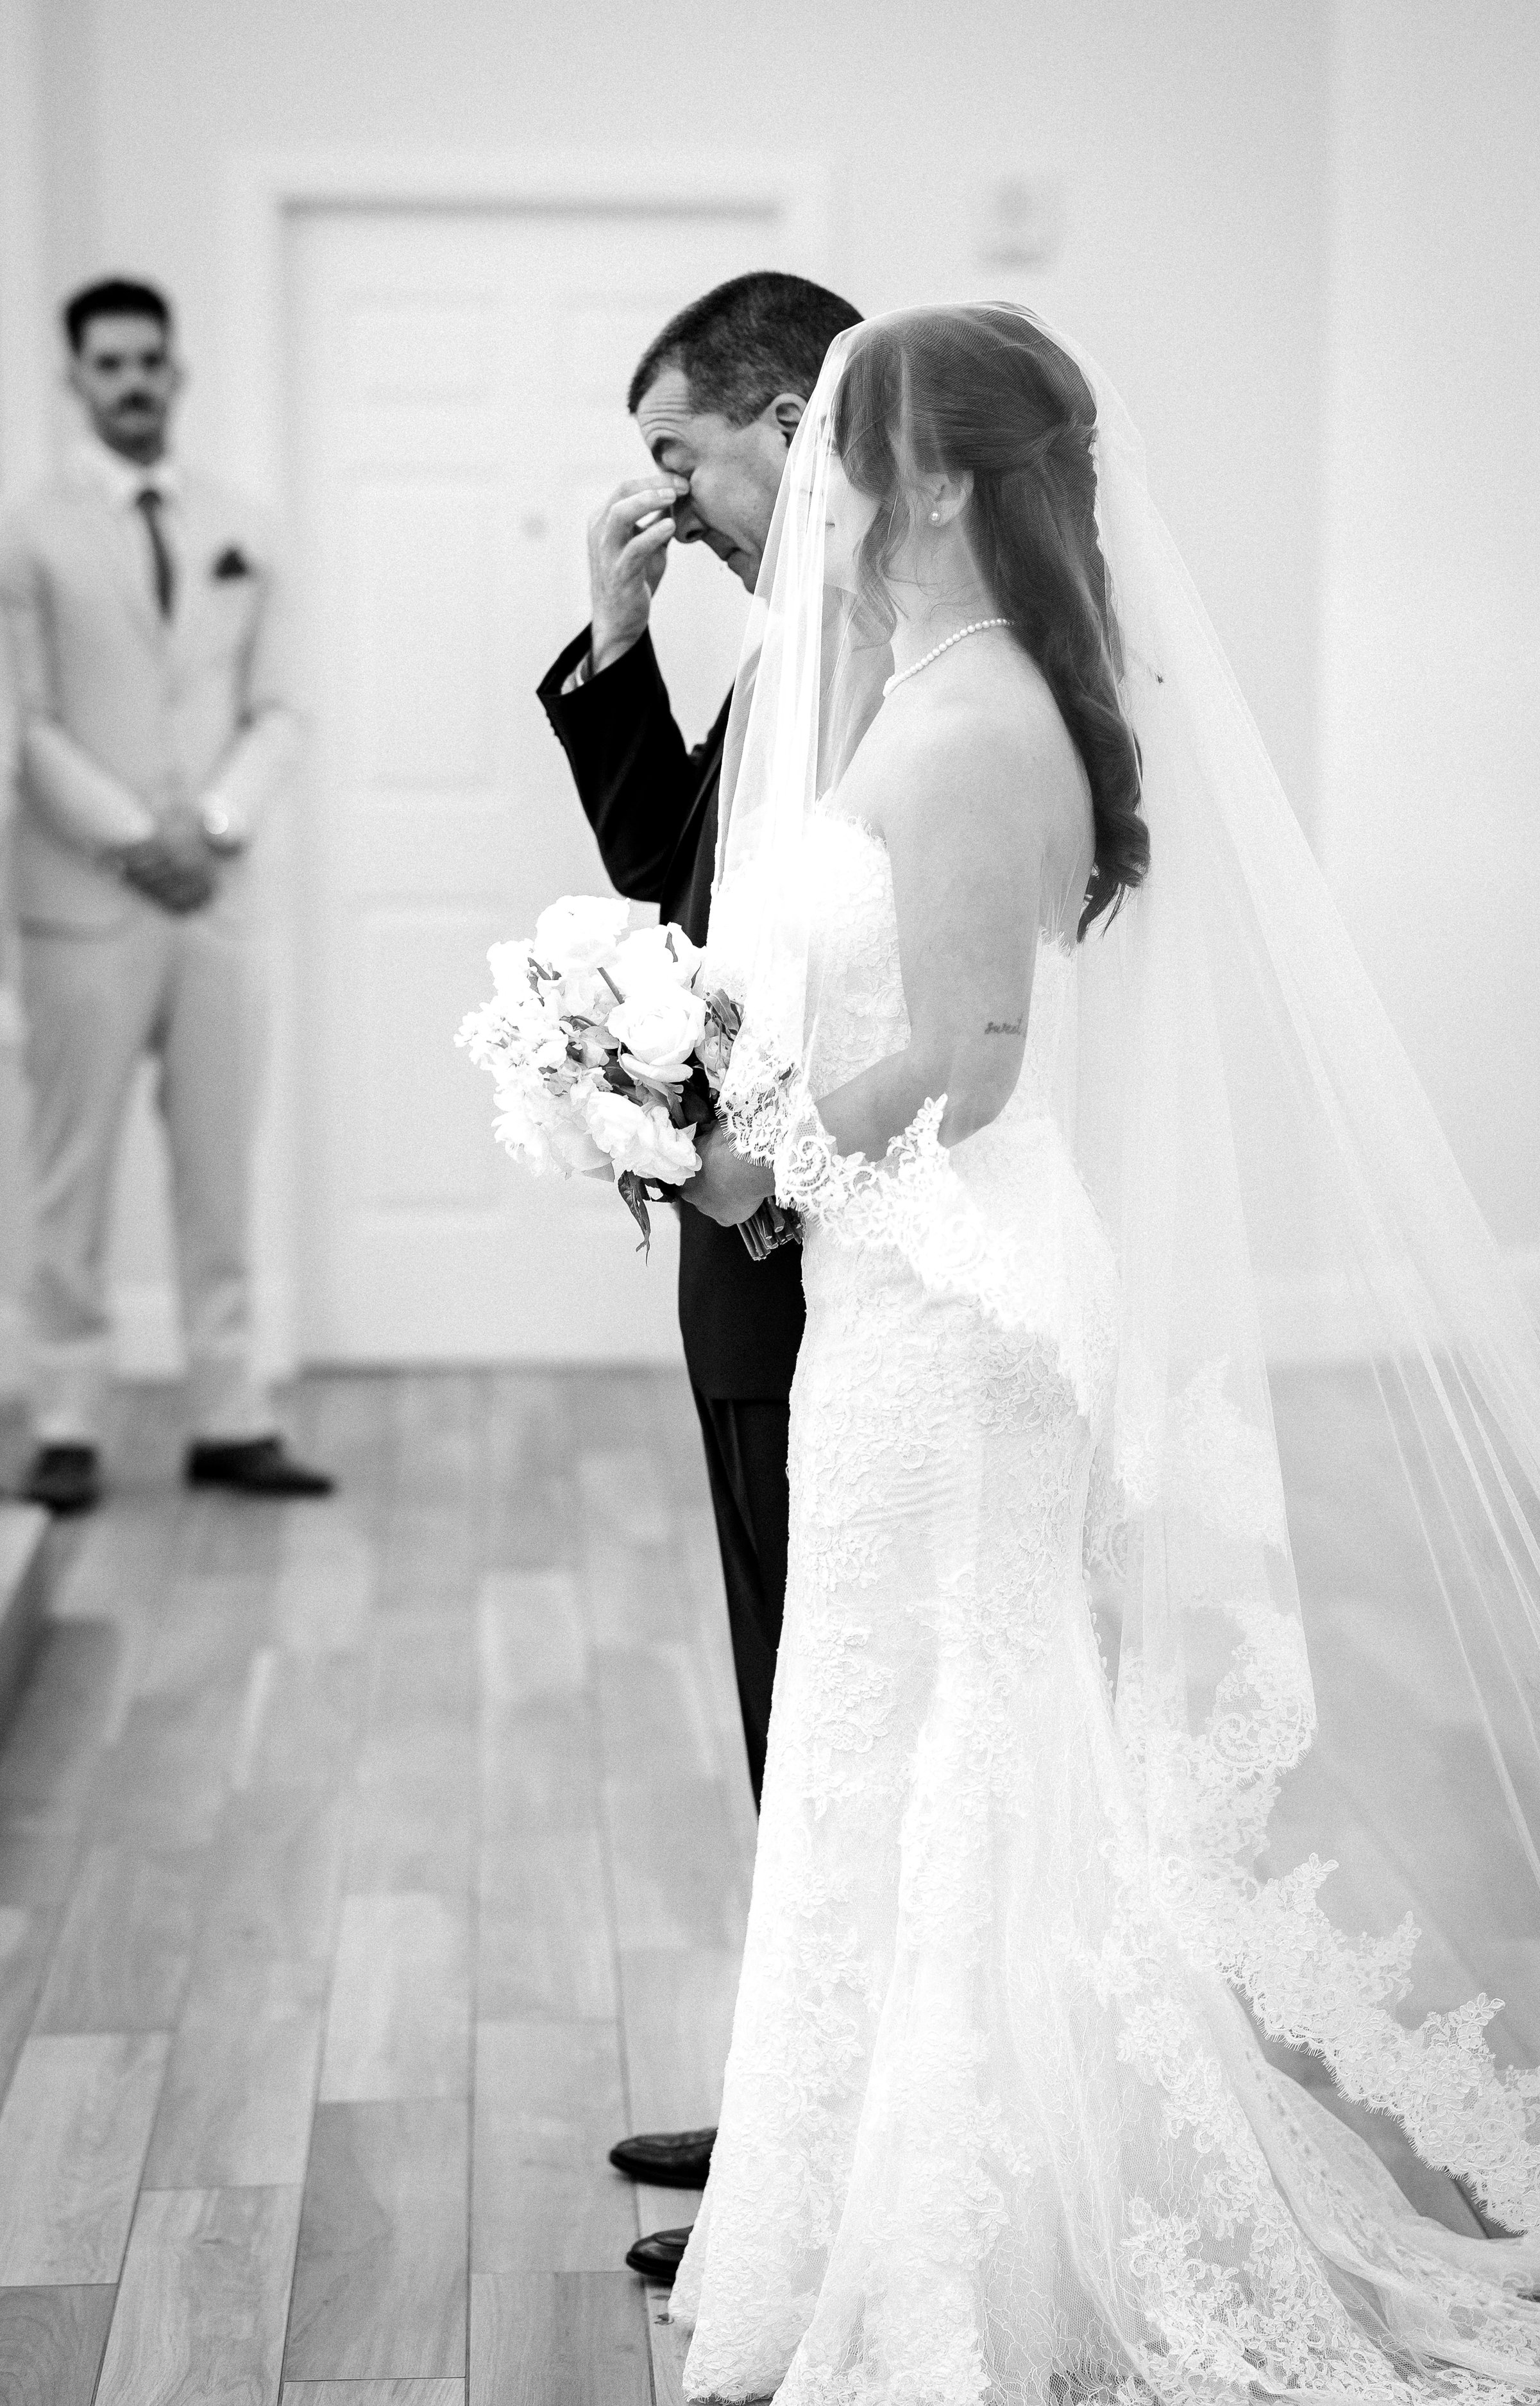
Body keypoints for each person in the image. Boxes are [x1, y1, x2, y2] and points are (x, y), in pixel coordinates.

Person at [670, 305, 1540, 2399]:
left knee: (966, 1764)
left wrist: (752, 1154)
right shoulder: (929, 688)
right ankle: (869, 2226)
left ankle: (981, 2267)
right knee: (877, 1753)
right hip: (897, 1297)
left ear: (925, 479)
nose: (808, 466)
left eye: (842, 436)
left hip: (957, 1313)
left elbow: (977, 1068)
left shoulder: (983, 714)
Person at [536, 271, 861, 2279]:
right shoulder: (803, 644)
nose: (665, 493)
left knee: (832, 1704)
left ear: (786, 420)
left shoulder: (897, 660)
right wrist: (613, 643)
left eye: (681, 449)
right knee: (797, 1702)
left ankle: (835, 2154)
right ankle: (814, 2105)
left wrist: (737, 1153)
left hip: (816, 1250)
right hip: (759, 1248)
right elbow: (687, 893)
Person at [0, 278, 333, 1512]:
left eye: (150, 361)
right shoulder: (28, 535)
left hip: (220, 897)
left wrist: (219, 824)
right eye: (109, 364)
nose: (133, 381)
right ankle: (69, 1419)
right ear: (76, 379)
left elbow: (282, 708)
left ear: (176, 373)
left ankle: (229, 1416)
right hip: (82, 901)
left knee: (218, 1169)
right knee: (67, 1170)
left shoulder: (245, 522)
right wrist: (143, 839)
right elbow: (25, 727)